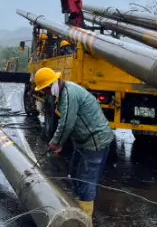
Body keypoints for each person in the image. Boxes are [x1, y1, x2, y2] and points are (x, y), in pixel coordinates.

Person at [34, 67, 114, 218]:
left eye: (45, 89)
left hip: (94, 142)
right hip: (85, 141)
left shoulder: (69, 94)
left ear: (52, 84)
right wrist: (62, 143)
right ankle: (78, 209)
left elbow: (67, 123)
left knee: (86, 180)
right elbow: (73, 123)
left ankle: (84, 221)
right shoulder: (65, 92)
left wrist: (55, 142)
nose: (45, 93)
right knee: (76, 173)